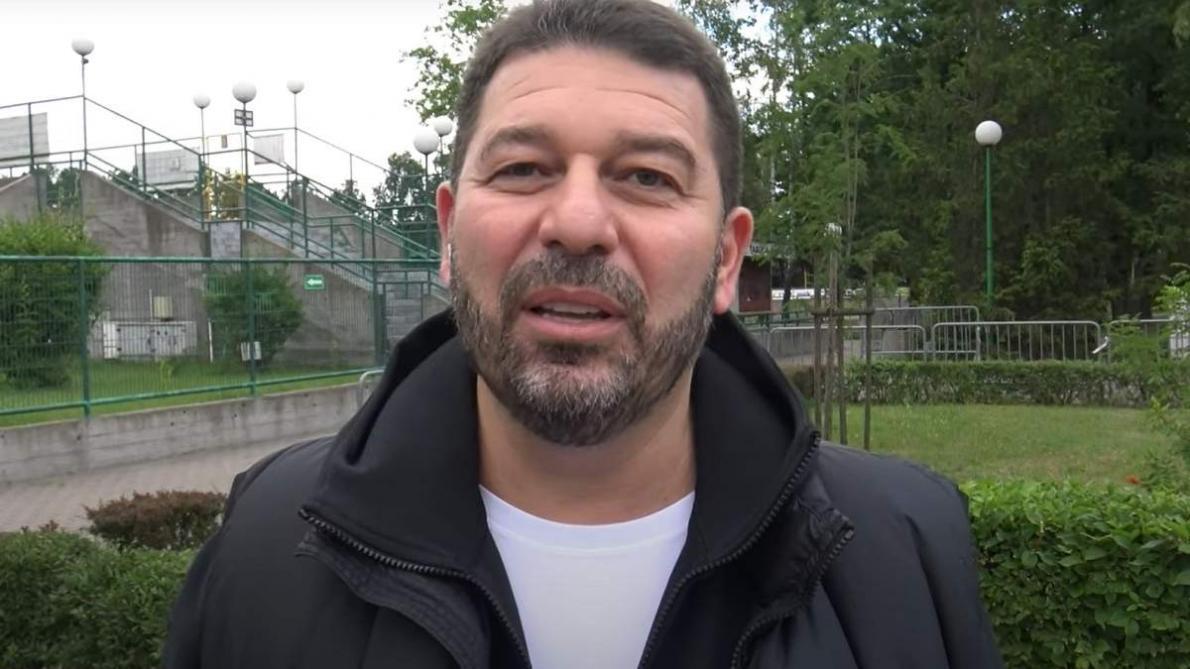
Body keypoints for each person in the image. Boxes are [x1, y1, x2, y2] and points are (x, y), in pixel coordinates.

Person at [164, 0, 1003, 666]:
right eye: (523, 168)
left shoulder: (905, 553)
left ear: (725, 257)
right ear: (449, 234)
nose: (576, 222)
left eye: (647, 177)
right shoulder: (269, 546)